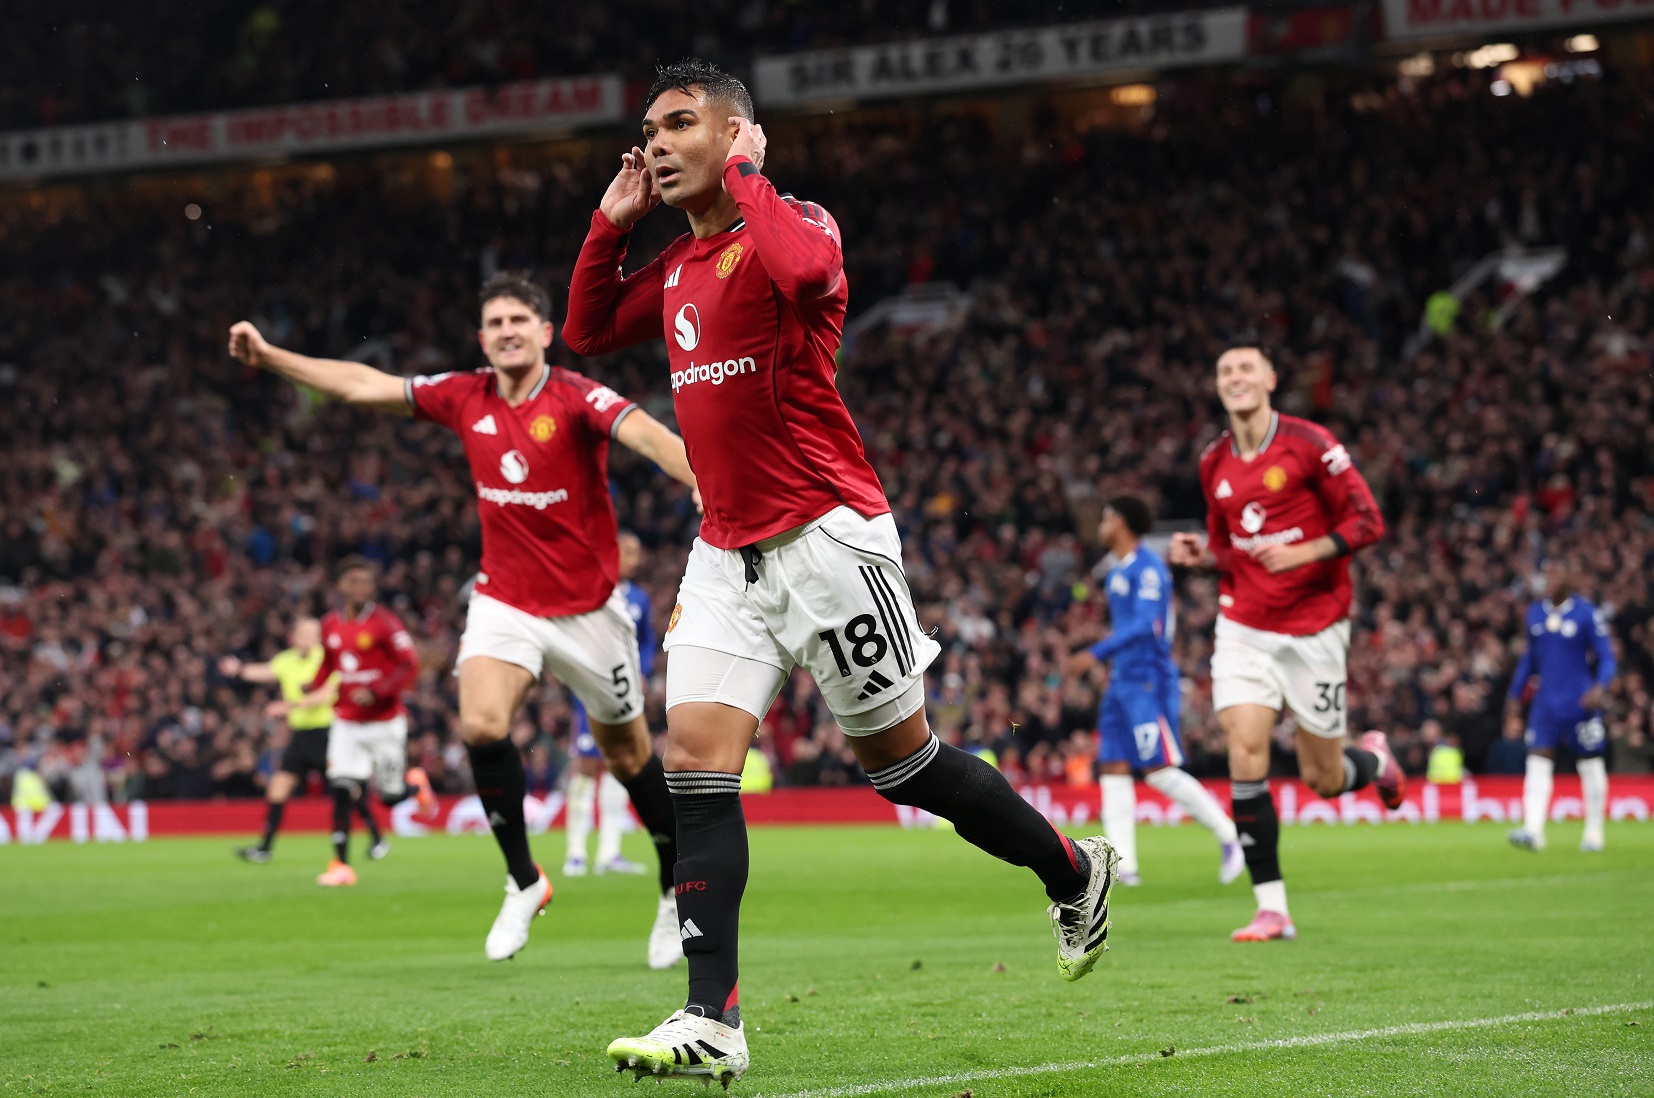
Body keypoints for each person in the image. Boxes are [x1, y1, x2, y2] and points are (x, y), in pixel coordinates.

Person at [564, 59, 1118, 1087]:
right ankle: (711, 1018)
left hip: (829, 539)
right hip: (725, 551)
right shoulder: (679, 268)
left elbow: (811, 279)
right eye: (647, 130)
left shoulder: (794, 222)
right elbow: (587, 331)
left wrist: (746, 177)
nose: (656, 143)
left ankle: (1074, 871)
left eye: (681, 124)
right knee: (692, 761)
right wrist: (611, 222)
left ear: (736, 136)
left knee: (903, 766)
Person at [228, 273, 697, 965]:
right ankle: (522, 878)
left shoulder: (575, 397)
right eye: (495, 322)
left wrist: (711, 492)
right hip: (504, 599)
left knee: (628, 757)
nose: (508, 330)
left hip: (589, 610)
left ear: (544, 332)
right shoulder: (464, 394)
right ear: (483, 339)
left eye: (520, 319)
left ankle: (671, 886)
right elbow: (362, 385)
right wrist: (270, 357)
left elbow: (651, 437)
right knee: (479, 723)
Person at [1168, 345, 1399, 943]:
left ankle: (1372, 760)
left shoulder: (1310, 443)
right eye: (1225, 372)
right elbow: (1228, 550)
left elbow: (1369, 521)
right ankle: (1272, 907)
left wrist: (1305, 550)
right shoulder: (1213, 461)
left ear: (1271, 379)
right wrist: (1202, 557)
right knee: (1246, 750)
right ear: (1217, 388)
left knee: (1324, 777)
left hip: (1315, 626)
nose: (1236, 378)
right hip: (1243, 625)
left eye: (1246, 369)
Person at [1067, 496, 1244, 888]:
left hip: (1148, 679)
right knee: (1112, 766)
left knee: (1159, 770)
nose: (1102, 521)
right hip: (1120, 681)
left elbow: (1148, 624)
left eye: (1108, 515)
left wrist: (1096, 652)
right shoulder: (1116, 571)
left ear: (1124, 523)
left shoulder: (1149, 570)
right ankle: (1121, 865)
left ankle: (1230, 836)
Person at [271, 558, 431, 886]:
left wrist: (376, 691)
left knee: (388, 796)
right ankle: (340, 866)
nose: (361, 589)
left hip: (384, 721)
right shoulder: (330, 625)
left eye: (367, 583)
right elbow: (329, 663)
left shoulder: (385, 623)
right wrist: (314, 685)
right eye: (355, 582)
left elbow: (409, 664)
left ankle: (416, 786)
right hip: (346, 721)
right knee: (342, 788)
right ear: (341, 586)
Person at [222, 617, 392, 863]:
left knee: (347, 789)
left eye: (314, 634)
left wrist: (288, 706)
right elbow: (266, 671)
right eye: (304, 634)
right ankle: (265, 848)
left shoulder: (327, 659)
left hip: (327, 734)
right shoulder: (287, 660)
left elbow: (326, 694)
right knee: (278, 789)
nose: (310, 639)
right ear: (294, 637)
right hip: (301, 736)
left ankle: (378, 837)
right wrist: (238, 669)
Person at [1505, 557, 1616, 852]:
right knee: (1537, 762)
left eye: (1556, 574)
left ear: (1569, 578)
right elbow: (1529, 660)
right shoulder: (1534, 614)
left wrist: (1599, 687)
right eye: (1546, 574)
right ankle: (1533, 830)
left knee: (1590, 764)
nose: (1550, 580)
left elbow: (1607, 658)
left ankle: (1594, 833)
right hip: (1545, 705)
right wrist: (1515, 697)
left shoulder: (1586, 614)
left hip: (1580, 703)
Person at [565, 530, 654, 878]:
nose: (633, 559)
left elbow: (647, 642)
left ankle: (608, 853)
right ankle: (575, 853)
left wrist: (642, 670)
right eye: (627, 551)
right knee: (587, 767)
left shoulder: (640, 599)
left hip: (627, 690)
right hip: (591, 687)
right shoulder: (592, 590)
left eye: (636, 553)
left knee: (620, 765)